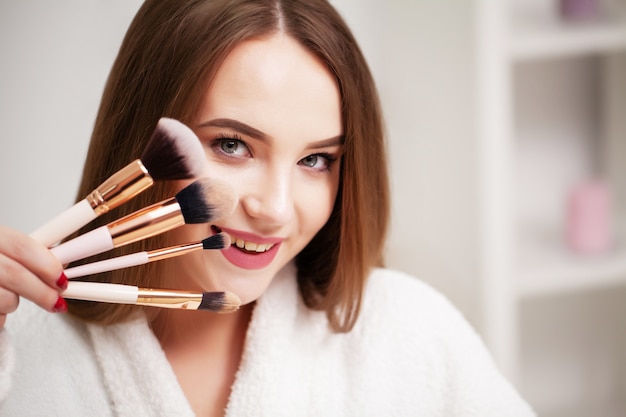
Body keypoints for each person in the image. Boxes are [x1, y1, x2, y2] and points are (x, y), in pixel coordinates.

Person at [0, 1, 536, 416]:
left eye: (316, 159)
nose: (275, 210)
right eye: (233, 145)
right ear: (144, 133)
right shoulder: (22, 350)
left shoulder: (410, 332)